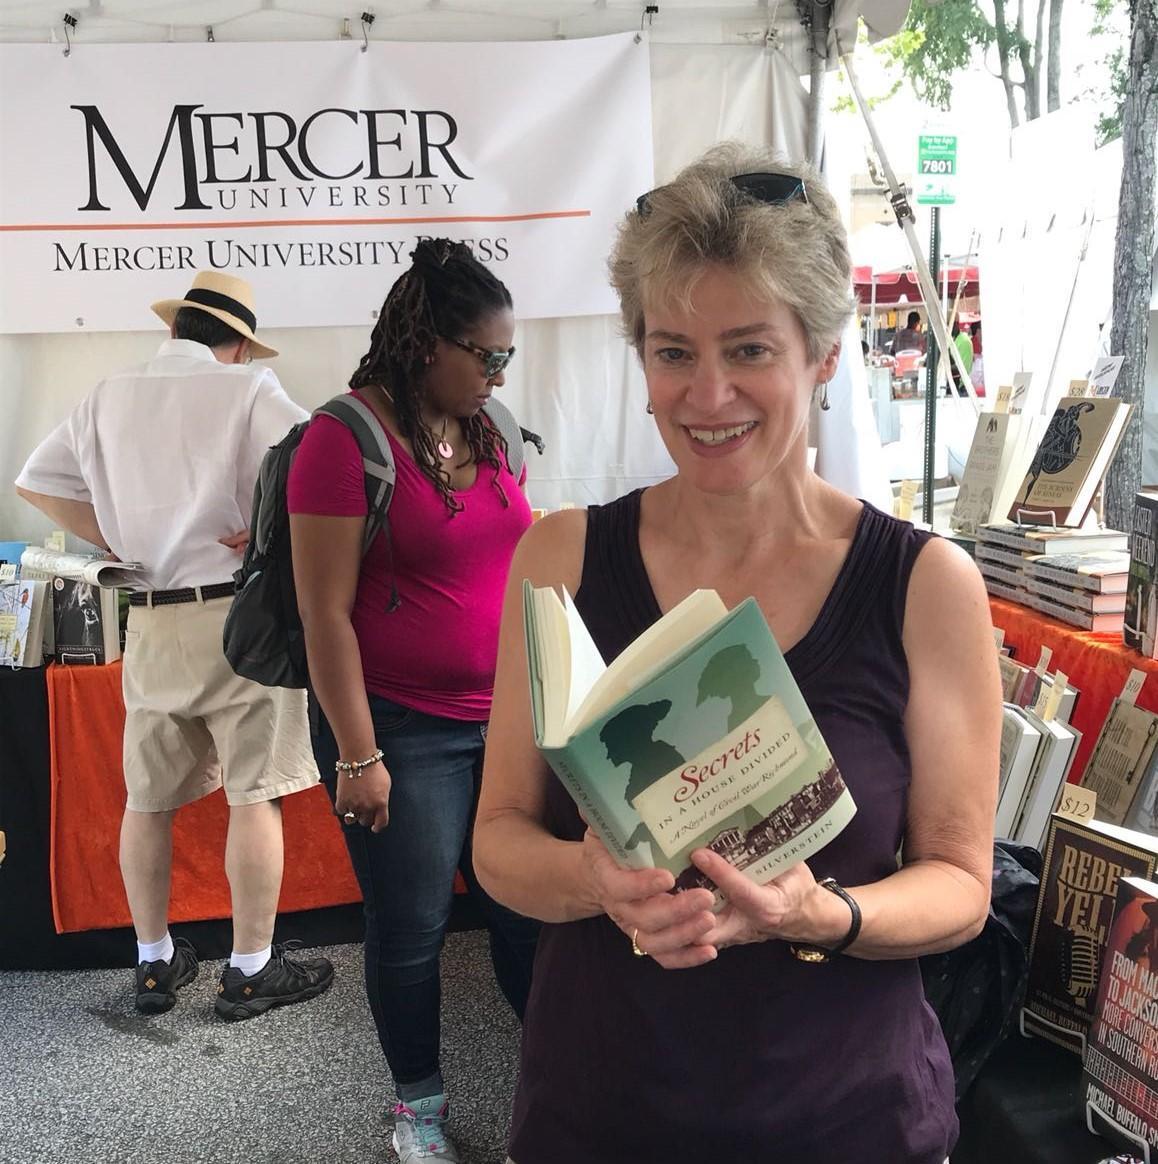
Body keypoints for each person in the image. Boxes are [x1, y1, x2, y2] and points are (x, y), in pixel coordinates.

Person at [473, 145, 1001, 1163]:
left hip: (847, 1122)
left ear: (823, 355)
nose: (707, 396)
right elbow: (497, 839)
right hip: (603, 1113)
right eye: (673, 352)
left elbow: (961, 885)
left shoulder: (923, 585)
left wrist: (820, 912)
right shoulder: (563, 557)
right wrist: (593, 878)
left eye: (750, 350)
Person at [15, 271, 334, 1019]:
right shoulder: (249, 389)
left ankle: (154, 963)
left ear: (176, 330)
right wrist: (267, 525)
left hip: (149, 614)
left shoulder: (106, 395)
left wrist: (117, 538)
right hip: (240, 614)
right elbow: (325, 463)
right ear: (236, 345)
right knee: (256, 794)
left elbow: (37, 480)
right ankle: (250, 966)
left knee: (147, 799)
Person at [287, 238, 541, 1164]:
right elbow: (324, 613)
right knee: (413, 929)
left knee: (527, 909)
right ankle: (419, 1109)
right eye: (488, 355)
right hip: (400, 728)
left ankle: (557, 1080)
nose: (500, 373)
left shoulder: (490, 429)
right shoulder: (343, 440)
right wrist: (359, 753)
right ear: (428, 341)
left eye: (509, 356)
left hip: (507, 720)